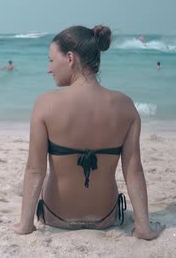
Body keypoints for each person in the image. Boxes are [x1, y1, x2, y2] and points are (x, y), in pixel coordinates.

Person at [12, 24, 164, 240]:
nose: (49, 69)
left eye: (51, 60)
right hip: (106, 218)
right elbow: (134, 172)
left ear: (70, 58)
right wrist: (144, 228)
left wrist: (25, 225)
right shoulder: (126, 106)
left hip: (56, 217)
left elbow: (35, 170)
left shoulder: (45, 104)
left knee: (38, 180)